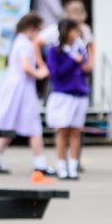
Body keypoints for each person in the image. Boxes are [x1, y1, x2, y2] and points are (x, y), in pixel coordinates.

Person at [0, 13, 53, 175]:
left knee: (11, 124)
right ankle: (40, 163)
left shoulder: (18, 41)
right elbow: (25, 67)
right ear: (31, 28)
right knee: (33, 124)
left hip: (15, 87)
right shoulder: (24, 44)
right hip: (22, 89)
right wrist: (39, 73)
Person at [44, 19, 89, 180]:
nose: (76, 34)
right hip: (62, 94)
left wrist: (83, 63)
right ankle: (61, 166)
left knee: (76, 131)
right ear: (66, 31)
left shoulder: (79, 48)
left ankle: (73, 166)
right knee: (62, 131)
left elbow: (85, 69)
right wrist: (72, 61)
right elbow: (55, 74)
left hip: (79, 94)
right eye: (74, 30)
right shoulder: (54, 51)